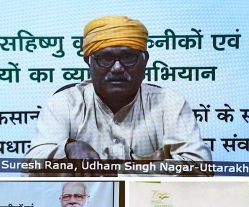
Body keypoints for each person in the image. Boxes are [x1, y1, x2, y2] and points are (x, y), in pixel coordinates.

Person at [25, 15, 211, 164]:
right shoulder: (65, 103)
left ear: (144, 61)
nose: (117, 68)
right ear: (88, 63)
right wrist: (67, 149)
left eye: (128, 57)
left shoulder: (169, 103)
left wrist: (118, 174)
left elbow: (199, 164)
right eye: (105, 58)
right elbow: (30, 167)